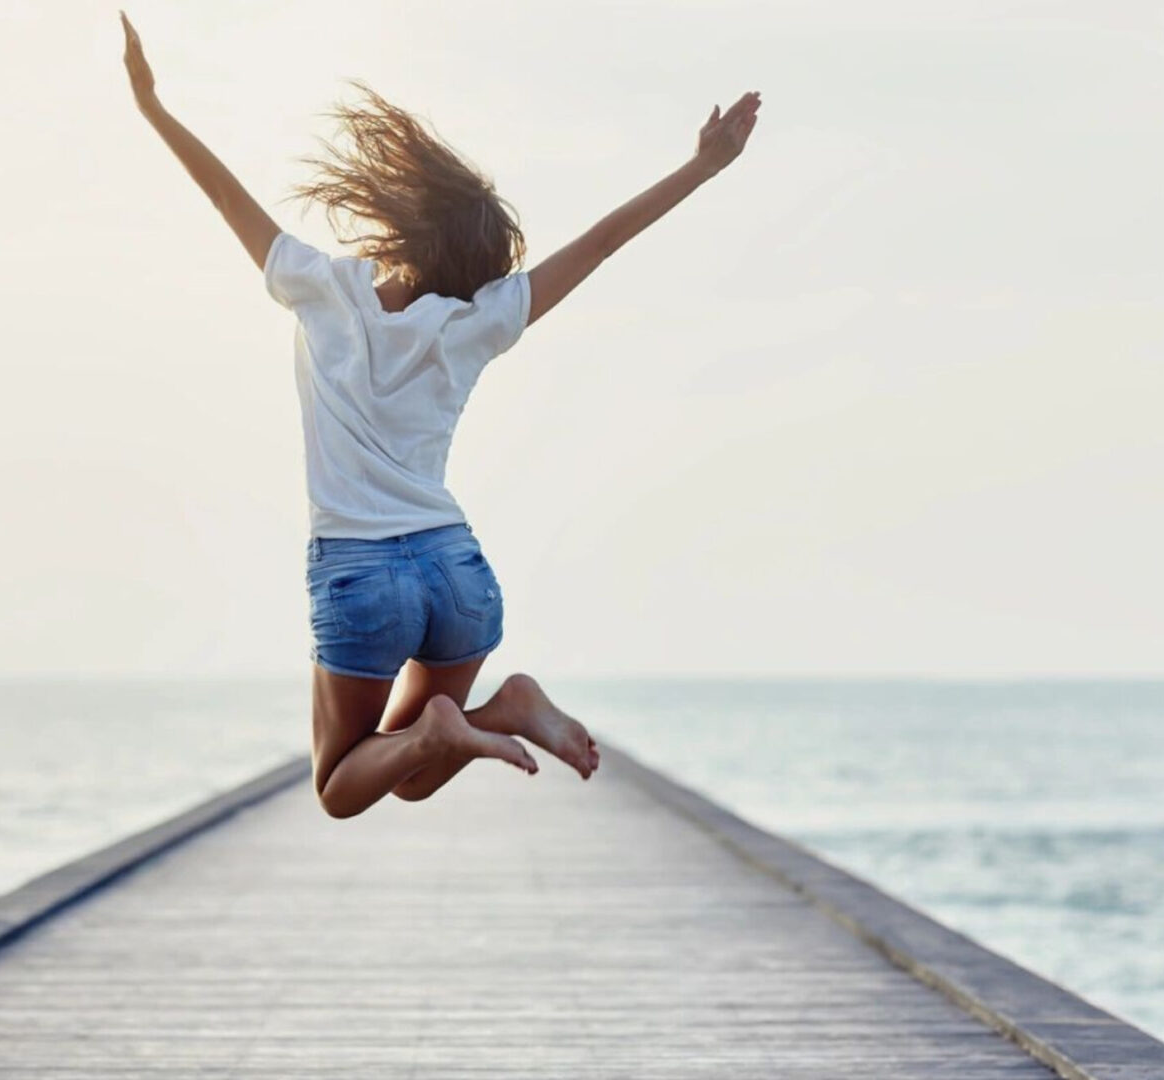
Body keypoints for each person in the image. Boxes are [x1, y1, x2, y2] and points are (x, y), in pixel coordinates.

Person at [118, 11, 761, 818]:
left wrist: (154, 109)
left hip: (360, 571)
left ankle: (458, 728)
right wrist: (702, 167)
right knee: (412, 771)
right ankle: (500, 711)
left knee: (342, 787)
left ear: (405, 224)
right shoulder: (476, 324)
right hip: (456, 573)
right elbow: (599, 245)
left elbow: (222, 195)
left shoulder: (321, 287)